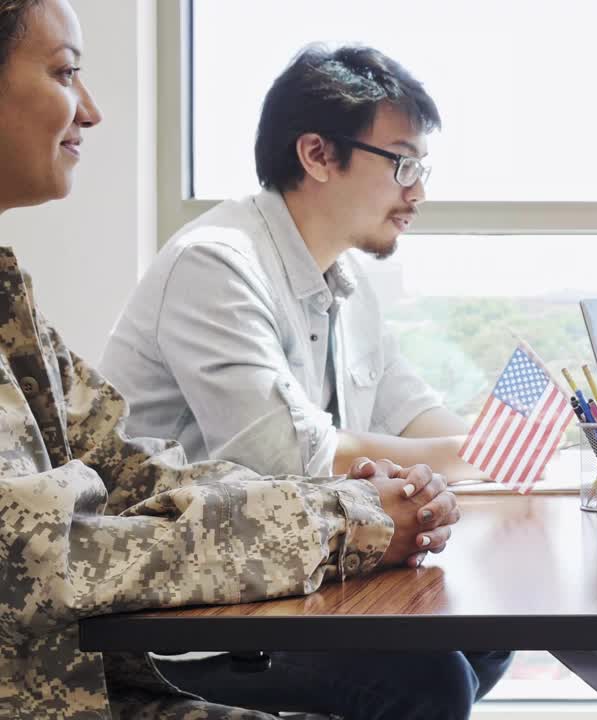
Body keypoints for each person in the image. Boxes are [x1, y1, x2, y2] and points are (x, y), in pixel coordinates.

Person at [0, 1, 470, 718]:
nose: (91, 112)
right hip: (112, 663)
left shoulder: (11, 300)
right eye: (66, 73)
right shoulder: (215, 260)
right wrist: (358, 514)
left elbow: (136, 470)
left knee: (459, 645)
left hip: (97, 662)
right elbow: (39, 557)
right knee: (429, 676)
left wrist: (377, 498)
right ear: (316, 155)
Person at [100, 44, 478, 483]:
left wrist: (503, 457)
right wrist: (470, 457)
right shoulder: (215, 264)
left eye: (420, 169)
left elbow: (410, 413)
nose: (417, 194)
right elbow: (288, 457)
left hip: (273, 541)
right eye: (403, 164)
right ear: (317, 154)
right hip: (159, 543)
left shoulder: (347, 279)